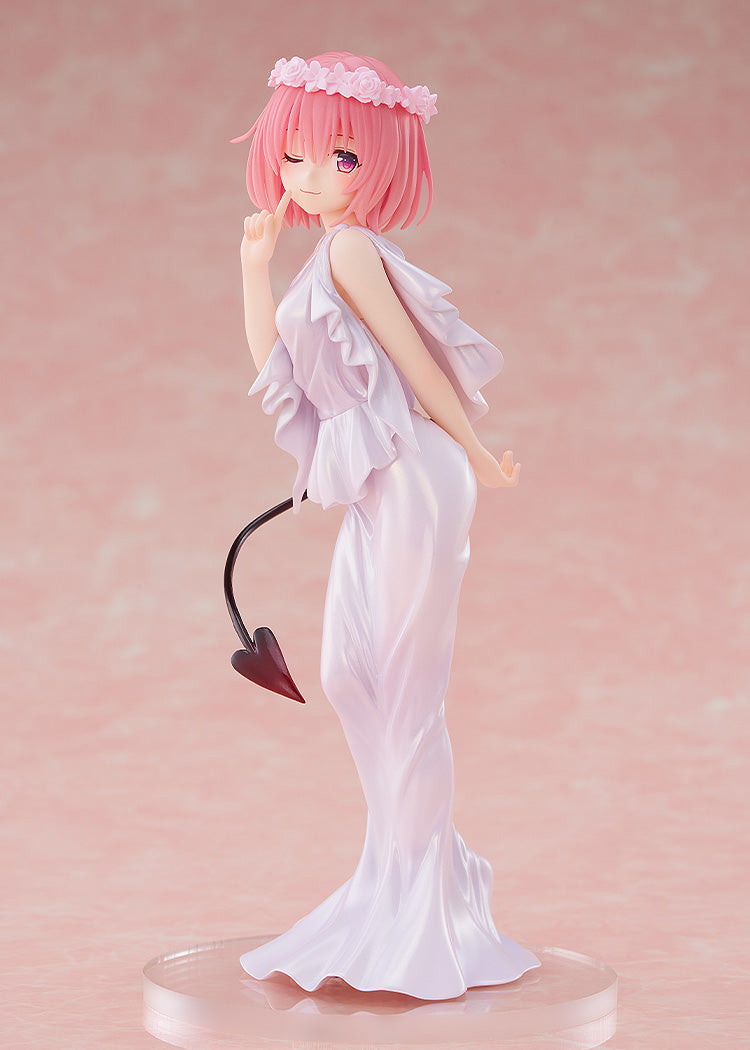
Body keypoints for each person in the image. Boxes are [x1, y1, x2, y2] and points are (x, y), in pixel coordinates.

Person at [235, 52, 540, 1001]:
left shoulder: (354, 252)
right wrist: (253, 268)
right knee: (346, 675)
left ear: (380, 164)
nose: (310, 175)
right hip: (381, 481)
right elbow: (278, 369)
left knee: (406, 692)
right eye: (294, 155)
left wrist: (476, 453)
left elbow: (411, 361)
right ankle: (408, 871)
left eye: (340, 157)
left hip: (415, 473)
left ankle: (420, 904)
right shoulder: (322, 254)